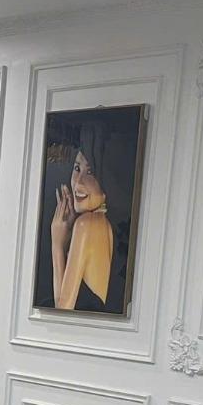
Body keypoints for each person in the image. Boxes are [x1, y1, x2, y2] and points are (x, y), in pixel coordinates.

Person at [40, 111, 137, 313]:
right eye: (77, 169)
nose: (78, 182)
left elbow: (63, 309)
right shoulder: (102, 223)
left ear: (107, 179)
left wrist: (57, 244)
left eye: (90, 172)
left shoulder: (86, 224)